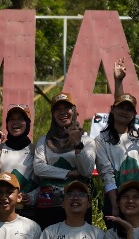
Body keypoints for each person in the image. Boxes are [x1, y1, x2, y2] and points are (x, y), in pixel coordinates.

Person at [31, 93, 96, 229]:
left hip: (78, 206)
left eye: (66, 108)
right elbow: (38, 168)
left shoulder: (87, 141)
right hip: (49, 206)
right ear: (53, 114)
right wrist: (70, 173)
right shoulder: (44, 141)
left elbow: (87, 170)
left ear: (74, 111)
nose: (63, 113)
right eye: (57, 109)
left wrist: (78, 144)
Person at [94, 85, 139, 220]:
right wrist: (114, 204)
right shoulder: (101, 140)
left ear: (134, 114)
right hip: (117, 198)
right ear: (112, 110)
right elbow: (107, 174)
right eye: (121, 107)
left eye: (129, 109)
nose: (125, 112)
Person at [0, 105, 37, 218]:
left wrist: (32, 196)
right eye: (12, 119)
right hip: (1, 210)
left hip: (27, 212)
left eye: (20, 119)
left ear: (27, 123)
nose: (15, 122)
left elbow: (41, 182)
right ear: (7, 124)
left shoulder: (35, 150)